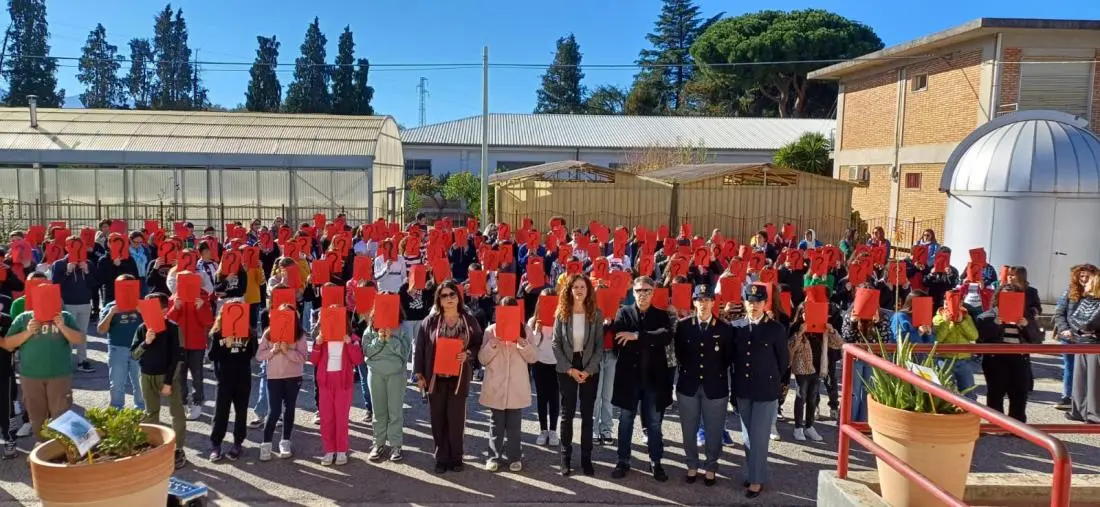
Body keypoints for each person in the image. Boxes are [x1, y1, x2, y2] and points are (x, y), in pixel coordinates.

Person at [609, 276, 674, 482]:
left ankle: (656, 461)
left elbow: (665, 336)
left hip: (654, 379)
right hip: (629, 378)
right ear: (633, 292)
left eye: (647, 290)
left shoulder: (661, 315)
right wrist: (648, 338)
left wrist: (637, 336)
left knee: (654, 423)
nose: (643, 294)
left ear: (653, 293)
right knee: (625, 420)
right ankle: (623, 460)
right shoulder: (624, 312)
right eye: (639, 291)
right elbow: (619, 338)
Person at [414, 280, 483, 474]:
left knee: (456, 419)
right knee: (438, 419)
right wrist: (419, 374)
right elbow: (419, 348)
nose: (449, 299)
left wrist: (468, 355)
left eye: (452, 294)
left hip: (458, 378)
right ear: (439, 300)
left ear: (458, 297)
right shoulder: (431, 321)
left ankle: (456, 458)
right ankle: (441, 458)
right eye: (444, 296)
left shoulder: (468, 320)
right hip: (435, 377)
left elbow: (478, 342)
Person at [1, 282, 84, 441]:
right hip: (31, 376)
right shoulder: (24, 318)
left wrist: (62, 327)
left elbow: (79, 339)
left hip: (59, 375)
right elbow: (8, 344)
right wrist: (28, 332)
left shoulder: (65, 316)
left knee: (62, 416)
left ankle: (61, 449)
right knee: (37, 417)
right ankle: (43, 447)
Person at [732, 283, 789, 499]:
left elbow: (783, 362)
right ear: (745, 302)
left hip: (765, 389)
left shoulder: (776, 329)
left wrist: (776, 384)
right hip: (743, 389)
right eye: (750, 301)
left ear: (765, 304)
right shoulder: (736, 326)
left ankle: (756, 480)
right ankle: (755, 473)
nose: (753, 305)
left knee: (759, 436)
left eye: (758, 302)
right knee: (747, 435)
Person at [674, 285, 734, 486]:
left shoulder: (724, 328)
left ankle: (711, 467)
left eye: (707, 299)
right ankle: (692, 464)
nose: (703, 304)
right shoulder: (683, 326)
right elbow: (680, 354)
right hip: (688, 385)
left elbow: (727, 359)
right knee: (688, 429)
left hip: (715, 385)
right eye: (699, 300)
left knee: (714, 429)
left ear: (713, 302)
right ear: (694, 302)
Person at [479, 296, 538, 472]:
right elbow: (482, 359)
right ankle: (493, 456)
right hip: (496, 384)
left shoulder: (526, 331)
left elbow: (534, 358)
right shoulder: (491, 330)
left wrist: (524, 345)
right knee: (495, 423)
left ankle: (514, 456)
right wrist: (492, 345)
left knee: (514, 424)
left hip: (516, 386)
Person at [552, 274, 603, 476]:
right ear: (569, 290)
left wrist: (588, 370)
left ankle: (586, 458)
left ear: (588, 290)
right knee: (567, 414)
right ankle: (565, 457)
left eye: (583, 287)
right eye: (576, 287)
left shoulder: (596, 314)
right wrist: (570, 369)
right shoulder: (562, 313)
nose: (579, 290)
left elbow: (600, 346)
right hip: (568, 367)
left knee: (588, 416)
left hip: (589, 367)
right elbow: (556, 344)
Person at [130, 292, 187, 469]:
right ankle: (152, 447)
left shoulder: (173, 328)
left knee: (176, 413)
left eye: (151, 309)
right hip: (147, 376)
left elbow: (177, 358)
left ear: (164, 310)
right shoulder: (142, 328)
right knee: (151, 413)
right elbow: (134, 354)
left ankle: (178, 449)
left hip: (167, 377)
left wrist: (169, 382)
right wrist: (146, 342)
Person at [975, 284, 1044, 423]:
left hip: (1019, 357)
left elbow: (1037, 339)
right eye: (1005, 296)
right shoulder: (986, 316)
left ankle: (1017, 424)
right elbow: (980, 338)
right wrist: (995, 324)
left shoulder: (1027, 316)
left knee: (1019, 392)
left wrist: (1027, 326)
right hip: (995, 358)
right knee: (996, 392)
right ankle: (996, 423)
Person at [309, 309, 364, 466]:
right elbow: (313, 360)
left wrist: (349, 343)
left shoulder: (352, 338)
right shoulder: (322, 339)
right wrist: (318, 345)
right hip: (325, 385)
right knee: (326, 419)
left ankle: (341, 450)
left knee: (341, 419)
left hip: (343, 385)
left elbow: (358, 359)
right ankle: (329, 450)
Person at [361, 301, 412, 463]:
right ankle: (378, 444)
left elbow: (405, 354)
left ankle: (396, 445)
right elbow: (366, 351)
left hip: (396, 374)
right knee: (378, 411)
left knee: (395, 411)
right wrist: (379, 339)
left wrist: (391, 340)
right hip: (376, 374)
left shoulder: (403, 328)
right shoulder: (370, 328)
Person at [255, 304, 307, 461]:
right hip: (274, 378)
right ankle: (266, 443)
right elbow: (259, 356)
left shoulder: (299, 335)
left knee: (289, 409)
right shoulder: (269, 333)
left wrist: (287, 351)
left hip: (293, 377)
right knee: (274, 411)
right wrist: (273, 351)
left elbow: (302, 358)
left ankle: (285, 441)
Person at [207, 301, 258, 462]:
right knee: (221, 412)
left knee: (241, 411)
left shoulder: (249, 333)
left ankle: (238, 443)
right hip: (224, 379)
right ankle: (216, 444)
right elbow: (211, 356)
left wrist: (246, 341)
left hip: (242, 377)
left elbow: (252, 353)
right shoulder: (217, 333)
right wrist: (224, 344)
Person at [788, 303, 842, 442]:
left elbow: (838, 344)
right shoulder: (796, 327)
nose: (808, 316)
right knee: (801, 396)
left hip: (817, 368)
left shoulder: (822, 328)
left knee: (812, 399)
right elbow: (790, 348)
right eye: (805, 313)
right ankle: (798, 427)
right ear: (801, 314)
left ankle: (809, 426)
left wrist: (831, 331)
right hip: (802, 368)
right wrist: (799, 333)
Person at [97, 274, 146, 411]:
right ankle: (116, 409)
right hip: (117, 349)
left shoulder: (142, 305)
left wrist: (143, 312)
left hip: (139, 349)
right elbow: (101, 330)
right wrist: (111, 313)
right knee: (117, 383)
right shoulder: (110, 306)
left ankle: (141, 409)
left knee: (140, 382)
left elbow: (155, 327)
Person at [50, 237, 98, 373]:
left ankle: (82, 361)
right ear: (66, 247)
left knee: (82, 333)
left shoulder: (88, 263)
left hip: (84, 303)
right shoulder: (59, 264)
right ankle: (65, 360)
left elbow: (95, 285)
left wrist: (87, 272)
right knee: (67, 333)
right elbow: (55, 285)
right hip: (67, 304)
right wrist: (67, 272)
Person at [1055, 264, 1098, 410]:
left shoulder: (1096, 294)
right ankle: (1067, 396)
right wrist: (1064, 329)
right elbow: (1059, 313)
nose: (1084, 279)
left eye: (1087, 276)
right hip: (1069, 337)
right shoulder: (1069, 291)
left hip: (1089, 339)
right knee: (1070, 366)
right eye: (1081, 276)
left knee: (1088, 372)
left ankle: (1086, 401)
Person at [527, 288, 560, 447]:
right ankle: (543, 429)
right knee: (541, 397)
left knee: (554, 397)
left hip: (556, 363)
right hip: (539, 363)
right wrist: (537, 332)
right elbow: (531, 344)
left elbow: (563, 342)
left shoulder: (561, 319)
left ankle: (553, 430)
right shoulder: (533, 321)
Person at [932, 292, 980, 399]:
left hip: (964, 360)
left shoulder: (966, 317)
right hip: (944, 360)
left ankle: (969, 414)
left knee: (969, 392)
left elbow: (974, 336)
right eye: (946, 304)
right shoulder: (937, 318)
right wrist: (946, 323)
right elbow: (937, 339)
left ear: (961, 303)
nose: (949, 308)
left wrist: (961, 322)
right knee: (947, 392)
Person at [1068, 271, 1100, 424]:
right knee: (1079, 380)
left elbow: (1092, 323)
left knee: (1094, 382)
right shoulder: (1086, 300)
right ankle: (1078, 411)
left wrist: (1084, 327)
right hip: (1082, 342)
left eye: (1089, 281)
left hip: (1095, 345)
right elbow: (1073, 318)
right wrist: (1081, 329)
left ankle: (1094, 414)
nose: (1085, 284)